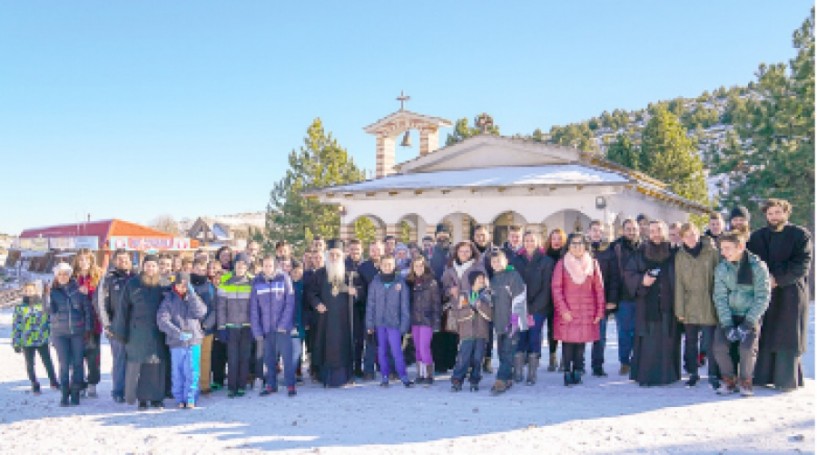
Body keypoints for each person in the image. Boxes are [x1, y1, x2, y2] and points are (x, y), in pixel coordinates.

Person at [747, 198, 813, 391]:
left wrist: (778, 279)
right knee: (766, 333)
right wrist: (765, 278)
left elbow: (803, 263)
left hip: (791, 292)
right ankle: (763, 376)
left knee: (787, 334)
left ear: (786, 213)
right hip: (765, 292)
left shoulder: (800, 235)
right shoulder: (758, 237)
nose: (774, 217)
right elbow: (750, 260)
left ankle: (786, 380)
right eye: (770, 213)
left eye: (777, 212)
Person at [712, 231, 771, 396]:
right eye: (722, 248)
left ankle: (746, 381)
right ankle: (729, 380)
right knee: (719, 346)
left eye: (727, 248)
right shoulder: (722, 268)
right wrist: (727, 324)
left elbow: (763, 296)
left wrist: (748, 323)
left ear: (740, 247)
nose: (723, 252)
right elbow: (720, 296)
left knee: (746, 348)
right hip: (729, 315)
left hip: (749, 315)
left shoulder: (757, 267)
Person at [624, 220, 681, 386]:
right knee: (648, 341)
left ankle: (667, 375)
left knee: (668, 339)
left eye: (659, 230)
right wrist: (642, 280)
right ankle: (647, 375)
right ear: (648, 233)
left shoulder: (673, 252)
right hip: (647, 306)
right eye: (652, 231)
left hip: (668, 305)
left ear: (664, 231)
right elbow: (629, 273)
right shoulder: (640, 252)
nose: (656, 234)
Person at [112, 254, 169, 410]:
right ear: (143, 267)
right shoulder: (133, 284)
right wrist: (120, 332)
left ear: (158, 268)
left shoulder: (164, 284)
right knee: (141, 365)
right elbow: (123, 309)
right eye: (148, 265)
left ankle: (157, 398)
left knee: (157, 364)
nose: (150, 268)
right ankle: (142, 398)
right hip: (138, 331)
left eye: (153, 266)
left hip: (159, 331)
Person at [552, 233, 605, 386]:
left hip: (587, 310)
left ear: (585, 246)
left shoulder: (593, 264)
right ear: (568, 246)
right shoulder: (562, 264)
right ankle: (567, 372)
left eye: (580, 243)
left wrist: (599, 310)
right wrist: (563, 310)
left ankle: (578, 370)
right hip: (568, 310)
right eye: (573, 244)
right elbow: (556, 289)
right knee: (568, 343)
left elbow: (599, 289)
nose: (577, 247)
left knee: (581, 343)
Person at [674, 222, 721, 388]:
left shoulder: (712, 252)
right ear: (682, 238)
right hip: (689, 304)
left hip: (708, 301)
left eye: (693, 234)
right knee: (690, 342)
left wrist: (719, 304)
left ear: (698, 233)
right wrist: (679, 309)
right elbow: (679, 283)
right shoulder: (680, 256)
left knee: (710, 341)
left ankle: (713, 374)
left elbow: (719, 279)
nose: (691, 238)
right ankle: (693, 373)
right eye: (687, 236)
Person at [308, 239, 360, 387]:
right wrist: (317, 303)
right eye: (331, 255)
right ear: (327, 256)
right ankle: (326, 378)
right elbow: (311, 293)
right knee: (325, 349)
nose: (334, 258)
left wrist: (355, 292)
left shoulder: (350, 275)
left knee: (344, 349)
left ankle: (345, 377)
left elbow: (363, 292)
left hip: (345, 321)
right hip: (326, 321)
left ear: (342, 256)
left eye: (337, 255)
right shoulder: (319, 274)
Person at [157, 272, 207, 409]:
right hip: (176, 342)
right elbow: (162, 320)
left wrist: (192, 296)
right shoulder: (169, 299)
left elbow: (201, 312)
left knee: (192, 370)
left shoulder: (193, 298)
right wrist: (177, 333)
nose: (181, 288)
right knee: (177, 371)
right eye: (179, 285)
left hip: (194, 340)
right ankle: (179, 398)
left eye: (184, 285)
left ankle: (191, 398)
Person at [250, 255, 297, 397]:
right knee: (269, 358)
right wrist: (257, 330)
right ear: (262, 266)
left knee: (287, 357)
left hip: (282, 327)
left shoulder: (284, 279)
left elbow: (289, 303)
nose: (268, 268)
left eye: (270, 265)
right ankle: (271, 384)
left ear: (275, 266)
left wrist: (283, 324)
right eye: (265, 265)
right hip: (266, 328)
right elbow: (254, 308)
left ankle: (290, 385)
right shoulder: (257, 282)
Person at [49, 262, 93, 406]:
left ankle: (75, 393)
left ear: (70, 275)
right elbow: (47, 312)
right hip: (59, 333)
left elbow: (87, 310)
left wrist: (88, 329)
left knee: (78, 363)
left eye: (65, 274)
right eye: (60, 274)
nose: (62, 276)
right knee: (64, 364)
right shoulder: (52, 292)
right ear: (56, 276)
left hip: (77, 332)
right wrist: (45, 297)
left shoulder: (79, 290)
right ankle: (64, 393)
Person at [513, 230, 554, 385]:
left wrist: (534, 307)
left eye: (532, 240)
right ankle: (518, 371)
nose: (529, 243)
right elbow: (513, 284)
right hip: (519, 306)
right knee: (519, 337)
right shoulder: (516, 260)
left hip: (538, 307)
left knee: (534, 337)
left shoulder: (546, 261)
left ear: (538, 242)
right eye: (527, 240)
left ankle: (532, 372)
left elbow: (546, 288)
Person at [439, 241, 486, 373]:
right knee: (457, 340)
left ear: (472, 253)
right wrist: (450, 291)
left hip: (472, 309)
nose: (464, 254)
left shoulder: (478, 267)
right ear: (456, 253)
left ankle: (472, 368)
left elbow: (484, 287)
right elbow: (443, 288)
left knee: (470, 340)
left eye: (467, 251)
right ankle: (458, 367)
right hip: (455, 309)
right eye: (461, 251)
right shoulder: (450, 269)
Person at [366, 255, 413, 387]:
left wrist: (404, 325)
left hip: (395, 323)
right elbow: (371, 305)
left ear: (394, 266)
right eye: (385, 264)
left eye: (390, 265)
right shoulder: (375, 283)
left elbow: (405, 306)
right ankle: (384, 376)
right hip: (379, 323)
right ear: (380, 266)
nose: (387, 267)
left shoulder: (400, 283)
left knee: (397, 351)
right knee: (382, 351)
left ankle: (403, 376)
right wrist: (369, 324)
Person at [488, 250, 528, 395]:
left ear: (506, 261)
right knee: (501, 352)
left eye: (499, 261)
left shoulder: (513, 276)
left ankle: (500, 380)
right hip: (499, 322)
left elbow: (519, 298)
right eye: (493, 262)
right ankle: (508, 378)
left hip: (512, 322)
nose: (496, 264)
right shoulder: (493, 279)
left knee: (508, 351)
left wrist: (515, 319)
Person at [96, 248, 134, 403]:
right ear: (114, 261)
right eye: (119, 259)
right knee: (119, 360)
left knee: (134, 360)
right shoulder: (108, 279)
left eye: (125, 259)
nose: (123, 262)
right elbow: (100, 304)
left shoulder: (136, 277)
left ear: (130, 260)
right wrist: (107, 325)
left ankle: (131, 388)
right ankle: (118, 390)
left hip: (135, 327)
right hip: (116, 327)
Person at [216, 253, 254, 398]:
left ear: (247, 267)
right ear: (234, 265)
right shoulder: (226, 282)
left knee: (244, 358)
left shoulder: (252, 282)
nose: (240, 267)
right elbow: (220, 307)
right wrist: (221, 327)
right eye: (238, 264)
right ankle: (232, 387)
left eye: (243, 264)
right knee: (232, 358)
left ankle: (242, 385)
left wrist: (254, 326)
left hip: (246, 326)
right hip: (231, 326)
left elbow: (255, 307)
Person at [12, 281, 58, 394]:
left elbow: (49, 322)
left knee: (47, 361)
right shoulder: (20, 308)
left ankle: (53, 381)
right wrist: (16, 342)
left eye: (31, 290)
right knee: (30, 364)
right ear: (23, 292)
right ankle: (34, 383)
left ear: (36, 291)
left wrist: (53, 337)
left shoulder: (42, 305)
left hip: (41, 339)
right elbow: (16, 325)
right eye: (26, 291)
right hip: (27, 341)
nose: (29, 292)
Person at [587, 221, 620, 378]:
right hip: (583, 299)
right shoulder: (582, 249)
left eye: (600, 231)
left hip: (602, 299)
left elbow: (614, 278)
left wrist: (611, 299)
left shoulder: (609, 252)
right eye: (594, 230)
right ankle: (576, 365)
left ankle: (597, 365)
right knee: (579, 333)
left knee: (600, 334)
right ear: (589, 232)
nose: (597, 233)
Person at [450, 271, 492, 392]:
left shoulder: (486, 296)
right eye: (479, 279)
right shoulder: (464, 295)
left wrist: (481, 306)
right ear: (473, 281)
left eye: (483, 279)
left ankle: (475, 379)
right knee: (463, 357)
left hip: (481, 333)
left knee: (478, 358)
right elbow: (458, 313)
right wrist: (470, 311)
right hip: (467, 333)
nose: (482, 281)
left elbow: (490, 315)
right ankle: (457, 379)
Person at [71, 249, 103, 398]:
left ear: (91, 261)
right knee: (77, 356)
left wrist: (88, 294)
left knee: (93, 356)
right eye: (81, 259)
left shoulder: (97, 278)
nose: (83, 262)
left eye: (86, 259)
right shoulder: (72, 278)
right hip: (75, 324)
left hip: (94, 324)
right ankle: (80, 383)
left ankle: (92, 383)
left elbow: (102, 299)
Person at [613, 218, 641, 376]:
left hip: (640, 296)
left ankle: (636, 360)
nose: (631, 232)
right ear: (623, 231)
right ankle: (624, 361)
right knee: (624, 331)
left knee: (638, 331)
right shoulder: (616, 247)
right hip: (623, 297)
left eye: (634, 229)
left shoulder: (644, 247)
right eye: (628, 229)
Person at [407, 256, 441, 385]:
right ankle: (420, 373)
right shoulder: (410, 282)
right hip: (415, 320)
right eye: (416, 266)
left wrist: (436, 322)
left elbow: (436, 304)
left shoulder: (432, 283)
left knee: (424, 347)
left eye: (421, 266)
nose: (418, 268)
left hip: (427, 319)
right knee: (417, 348)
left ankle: (429, 375)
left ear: (425, 267)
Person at [472, 224, 500, 374]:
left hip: (491, 296)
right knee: (474, 329)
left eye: (483, 235)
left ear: (488, 236)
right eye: (477, 235)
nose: (480, 238)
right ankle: (475, 360)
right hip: (474, 295)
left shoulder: (495, 252)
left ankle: (487, 359)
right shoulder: (470, 252)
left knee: (488, 330)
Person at [190, 258, 216, 395]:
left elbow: (214, 308)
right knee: (191, 358)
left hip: (206, 328)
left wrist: (206, 325)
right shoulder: (187, 285)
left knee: (205, 358)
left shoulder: (209, 286)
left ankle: (205, 384)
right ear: (192, 269)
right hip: (190, 328)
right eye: (197, 269)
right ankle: (191, 384)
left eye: (203, 269)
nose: (200, 272)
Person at [543, 228, 567, 371]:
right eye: (554, 238)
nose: (556, 241)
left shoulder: (567, 257)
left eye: (559, 238)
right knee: (552, 329)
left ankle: (565, 357)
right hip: (548, 298)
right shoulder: (544, 256)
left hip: (564, 298)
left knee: (564, 327)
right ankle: (552, 356)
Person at [358, 241, 383, 380]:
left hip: (386, 309)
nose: (375, 252)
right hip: (369, 308)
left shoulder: (389, 264)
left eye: (378, 250)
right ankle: (368, 370)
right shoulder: (363, 267)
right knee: (371, 341)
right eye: (373, 250)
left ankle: (387, 368)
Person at [345, 239, 368, 378]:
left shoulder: (365, 266)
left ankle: (358, 366)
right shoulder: (343, 265)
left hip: (361, 308)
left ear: (361, 251)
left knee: (359, 340)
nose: (354, 252)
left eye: (357, 250)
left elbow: (368, 287)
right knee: (347, 339)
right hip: (346, 309)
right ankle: (347, 366)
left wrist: (358, 292)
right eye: (352, 249)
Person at [289, 260, 306, 385]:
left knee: (299, 348)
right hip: (290, 321)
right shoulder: (287, 285)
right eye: (295, 272)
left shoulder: (304, 285)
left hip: (302, 321)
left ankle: (298, 371)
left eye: (300, 272)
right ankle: (290, 371)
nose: (297, 274)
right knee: (291, 348)